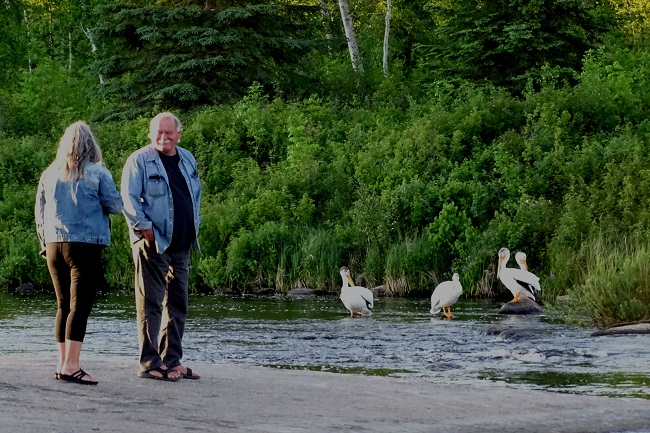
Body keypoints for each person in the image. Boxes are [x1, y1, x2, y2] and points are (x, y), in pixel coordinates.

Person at [35, 121, 123, 385]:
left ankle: (62, 363)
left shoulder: (49, 174)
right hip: (84, 245)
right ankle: (72, 366)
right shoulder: (98, 173)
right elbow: (115, 206)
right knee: (80, 306)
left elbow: (39, 213)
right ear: (91, 145)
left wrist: (44, 242)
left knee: (63, 305)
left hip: (52, 245)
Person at [121, 112, 202, 381]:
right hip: (153, 244)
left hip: (182, 244)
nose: (163, 138)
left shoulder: (187, 158)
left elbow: (195, 194)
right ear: (150, 133)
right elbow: (129, 201)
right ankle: (149, 362)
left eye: (168, 133)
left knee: (178, 304)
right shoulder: (139, 160)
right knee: (151, 304)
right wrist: (146, 230)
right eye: (158, 132)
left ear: (179, 134)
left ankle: (172, 360)